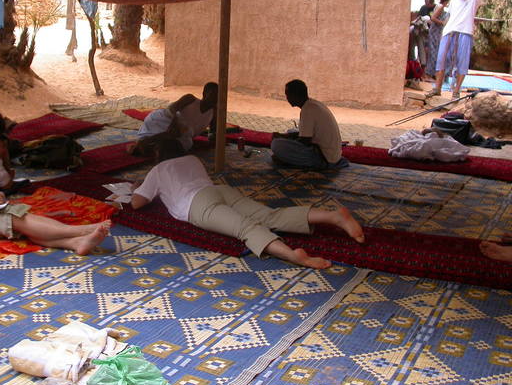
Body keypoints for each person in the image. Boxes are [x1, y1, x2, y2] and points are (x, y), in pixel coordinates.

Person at [131, 138, 364, 269]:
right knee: (269, 215)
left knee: (246, 228)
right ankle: (333, 216)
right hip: (219, 191)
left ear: (158, 156)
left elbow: (137, 204)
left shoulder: (158, 170)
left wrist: (138, 187)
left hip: (198, 205)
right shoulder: (192, 158)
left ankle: (292, 255)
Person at [0, 106, 109, 255]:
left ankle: (75, 243)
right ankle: (81, 231)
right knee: (14, 220)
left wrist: (3, 155)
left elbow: (5, 183)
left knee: (23, 216)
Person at [271, 79, 347, 170]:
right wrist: (285, 136)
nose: (287, 98)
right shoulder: (312, 104)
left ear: (295, 95)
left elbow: (304, 141)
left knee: (276, 144)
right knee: (291, 131)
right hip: (333, 155)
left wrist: (284, 141)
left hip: (324, 158)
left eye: (288, 95)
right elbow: (306, 135)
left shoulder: (307, 110)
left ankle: (290, 161)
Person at [129, 82, 218, 157]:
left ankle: (150, 144)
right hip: (165, 120)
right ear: (204, 93)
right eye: (212, 95)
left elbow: (213, 132)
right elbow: (171, 109)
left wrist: (213, 137)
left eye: (218, 96)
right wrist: (174, 124)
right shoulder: (190, 99)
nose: (215, 98)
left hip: (184, 134)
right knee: (175, 134)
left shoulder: (214, 112)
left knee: (186, 143)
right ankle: (146, 142)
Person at [427, 0, 481, 99]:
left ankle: (456, 91)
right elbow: (449, 15)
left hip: (465, 31)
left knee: (462, 62)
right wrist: (443, 31)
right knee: (441, 60)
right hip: (449, 31)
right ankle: (437, 89)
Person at [425, 0, 451, 80]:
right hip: (435, 32)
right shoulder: (440, 7)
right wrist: (442, 23)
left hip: (437, 32)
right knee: (434, 53)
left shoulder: (440, 6)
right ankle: (430, 73)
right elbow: (433, 18)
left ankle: (433, 73)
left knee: (435, 53)